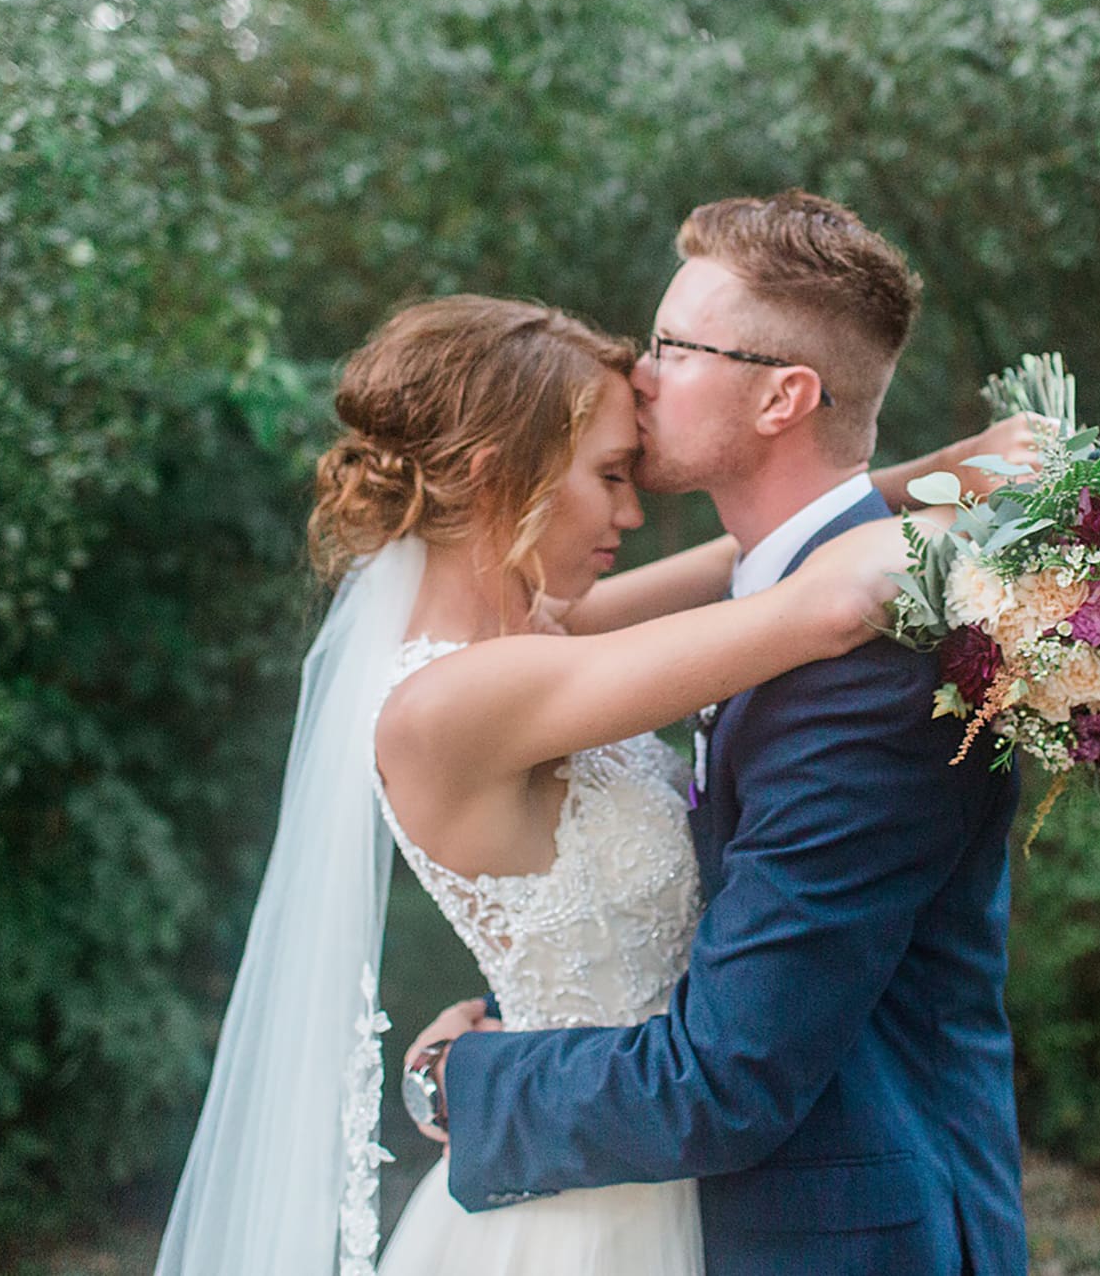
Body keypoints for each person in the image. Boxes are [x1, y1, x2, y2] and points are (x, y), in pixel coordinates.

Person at [151, 285, 1037, 1276]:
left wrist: (941, 474)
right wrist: (1058, 540)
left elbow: (744, 562)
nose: (630, 506)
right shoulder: (457, 701)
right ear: (496, 476)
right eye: (611, 474)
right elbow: (827, 605)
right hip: (589, 1210)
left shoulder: (531, 634)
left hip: (650, 1157)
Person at [407, 192, 1032, 1276]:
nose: (638, 374)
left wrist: (461, 1078)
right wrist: (919, 478)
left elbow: (726, 1077)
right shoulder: (776, 595)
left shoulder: (870, 659)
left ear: (784, 395)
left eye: (670, 346)